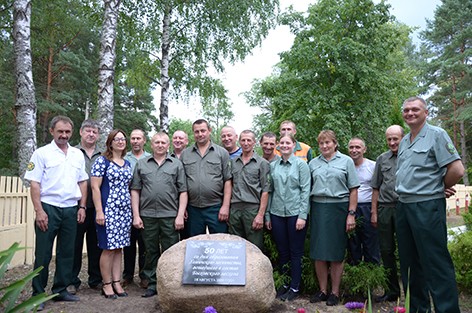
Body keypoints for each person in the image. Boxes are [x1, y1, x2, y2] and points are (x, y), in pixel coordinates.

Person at [395, 97, 464, 313]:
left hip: (426, 207)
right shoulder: (405, 140)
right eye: (406, 110)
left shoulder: (436, 135)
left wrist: (438, 186)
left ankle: (447, 310)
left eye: (415, 109)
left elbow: (457, 169)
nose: (410, 113)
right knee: (410, 265)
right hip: (404, 207)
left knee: (435, 263)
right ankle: (418, 309)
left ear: (426, 112)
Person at [24, 115, 88, 310]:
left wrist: (82, 207)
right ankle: (38, 294)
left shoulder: (77, 154)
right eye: (60, 131)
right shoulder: (41, 153)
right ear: (52, 131)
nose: (64, 135)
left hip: (70, 208)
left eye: (67, 132)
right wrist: (39, 211)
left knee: (67, 252)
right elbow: (34, 183)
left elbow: (82, 181)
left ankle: (60, 290)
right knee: (43, 253)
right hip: (48, 207)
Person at [131, 132, 188, 298]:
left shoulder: (176, 164)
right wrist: (136, 215)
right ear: (151, 144)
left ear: (168, 144)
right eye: (157, 142)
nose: (160, 145)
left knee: (170, 251)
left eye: (163, 142)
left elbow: (183, 191)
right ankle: (152, 283)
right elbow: (135, 190)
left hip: (170, 215)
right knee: (150, 250)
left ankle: (170, 284)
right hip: (147, 215)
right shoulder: (142, 165)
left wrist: (179, 215)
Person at [309, 130, 359, 306]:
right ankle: (323, 290)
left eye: (328, 142)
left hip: (339, 208)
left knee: (337, 252)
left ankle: (335, 292)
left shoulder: (346, 161)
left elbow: (353, 189)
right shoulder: (313, 163)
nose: (324, 146)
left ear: (335, 143)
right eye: (321, 143)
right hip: (318, 208)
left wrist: (351, 214)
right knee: (318, 251)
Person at [265, 133, 310, 302]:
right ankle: (284, 284)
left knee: (295, 252)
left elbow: (306, 191)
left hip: (295, 214)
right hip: (277, 213)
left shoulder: (301, 165)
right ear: (278, 145)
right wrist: (268, 215)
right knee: (282, 252)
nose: (284, 145)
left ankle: (295, 286)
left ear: (293, 145)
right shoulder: (273, 165)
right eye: (282, 142)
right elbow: (270, 191)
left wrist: (302, 216)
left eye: (287, 143)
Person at [91, 129, 133, 299]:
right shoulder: (102, 161)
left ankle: (117, 282)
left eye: (123, 139)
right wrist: (99, 211)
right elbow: (95, 187)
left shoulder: (127, 163)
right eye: (116, 139)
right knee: (108, 248)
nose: (120, 142)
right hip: (108, 211)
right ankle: (106, 284)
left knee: (118, 248)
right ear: (110, 142)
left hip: (124, 212)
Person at [180, 119, 232, 236]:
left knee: (219, 244)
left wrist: (225, 206)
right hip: (193, 209)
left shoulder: (222, 153)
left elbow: (228, 181)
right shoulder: (185, 154)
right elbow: (182, 183)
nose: (200, 134)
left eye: (203, 131)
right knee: (195, 245)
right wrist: (182, 208)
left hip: (216, 207)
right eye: (196, 132)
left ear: (209, 131)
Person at [370, 125, 404, 303]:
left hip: (405, 208)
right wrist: (374, 212)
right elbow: (375, 187)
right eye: (389, 139)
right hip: (384, 208)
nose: (392, 142)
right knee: (386, 250)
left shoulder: (410, 157)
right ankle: (392, 291)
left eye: (395, 139)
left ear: (402, 138)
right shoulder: (382, 159)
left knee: (407, 250)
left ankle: (411, 290)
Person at [69, 120, 103, 295]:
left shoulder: (104, 155)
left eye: (94, 132)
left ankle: (95, 279)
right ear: (81, 132)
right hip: (76, 207)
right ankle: (71, 281)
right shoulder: (71, 152)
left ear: (98, 135)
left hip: (97, 208)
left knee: (96, 245)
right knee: (74, 245)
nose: (91, 134)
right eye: (88, 131)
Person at [229, 130, 270, 250]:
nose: (246, 143)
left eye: (249, 140)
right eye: (243, 140)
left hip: (252, 210)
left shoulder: (262, 163)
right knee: (235, 247)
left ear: (254, 142)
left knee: (254, 247)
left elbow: (266, 190)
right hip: (235, 209)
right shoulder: (233, 163)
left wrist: (260, 215)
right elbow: (229, 185)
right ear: (239, 141)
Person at [123, 129, 150, 287]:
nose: (135, 141)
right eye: (132, 138)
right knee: (128, 243)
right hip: (126, 206)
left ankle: (144, 275)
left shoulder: (150, 158)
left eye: (138, 138)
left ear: (144, 140)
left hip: (145, 205)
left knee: (145, 243)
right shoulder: (123, 158)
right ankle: (127, 275)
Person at [347, 137, 380, 265]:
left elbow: (377, 188)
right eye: (351, 147)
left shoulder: (372, 166)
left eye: (357, 147)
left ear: (364, 149)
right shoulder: (345, 165)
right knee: (352, 243)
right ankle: (356, 274)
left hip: (367, 207)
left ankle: (373, 276)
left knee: (370, 243)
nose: (354, 150)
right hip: (350, 209)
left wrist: (374, 212)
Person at [170, 130, 190, 239]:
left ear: (186, 141)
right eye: (175, 138)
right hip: (172, 204)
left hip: (191, 204)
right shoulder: (166, 158)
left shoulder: (192, 157)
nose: (178, 140)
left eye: (181, 138)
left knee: (186, 237)